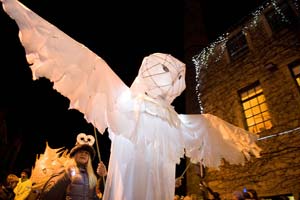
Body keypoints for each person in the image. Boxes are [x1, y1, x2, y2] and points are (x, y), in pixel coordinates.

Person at [1, 1, 262, 199]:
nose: (165, 79)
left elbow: (206, 125)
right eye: (161, 72)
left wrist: (238, 138)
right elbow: (88, 62)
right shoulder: (125, 100)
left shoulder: (173, 121)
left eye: (169, 76)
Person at [38, 133, 107, 200]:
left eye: (86, 153)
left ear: (89, 158)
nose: (83, 154)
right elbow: (50, 193)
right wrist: (65, 175)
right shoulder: (65, 170)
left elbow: (94, 197)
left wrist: (103, 176)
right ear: (74, 154)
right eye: (80, 151)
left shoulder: (91, 176)